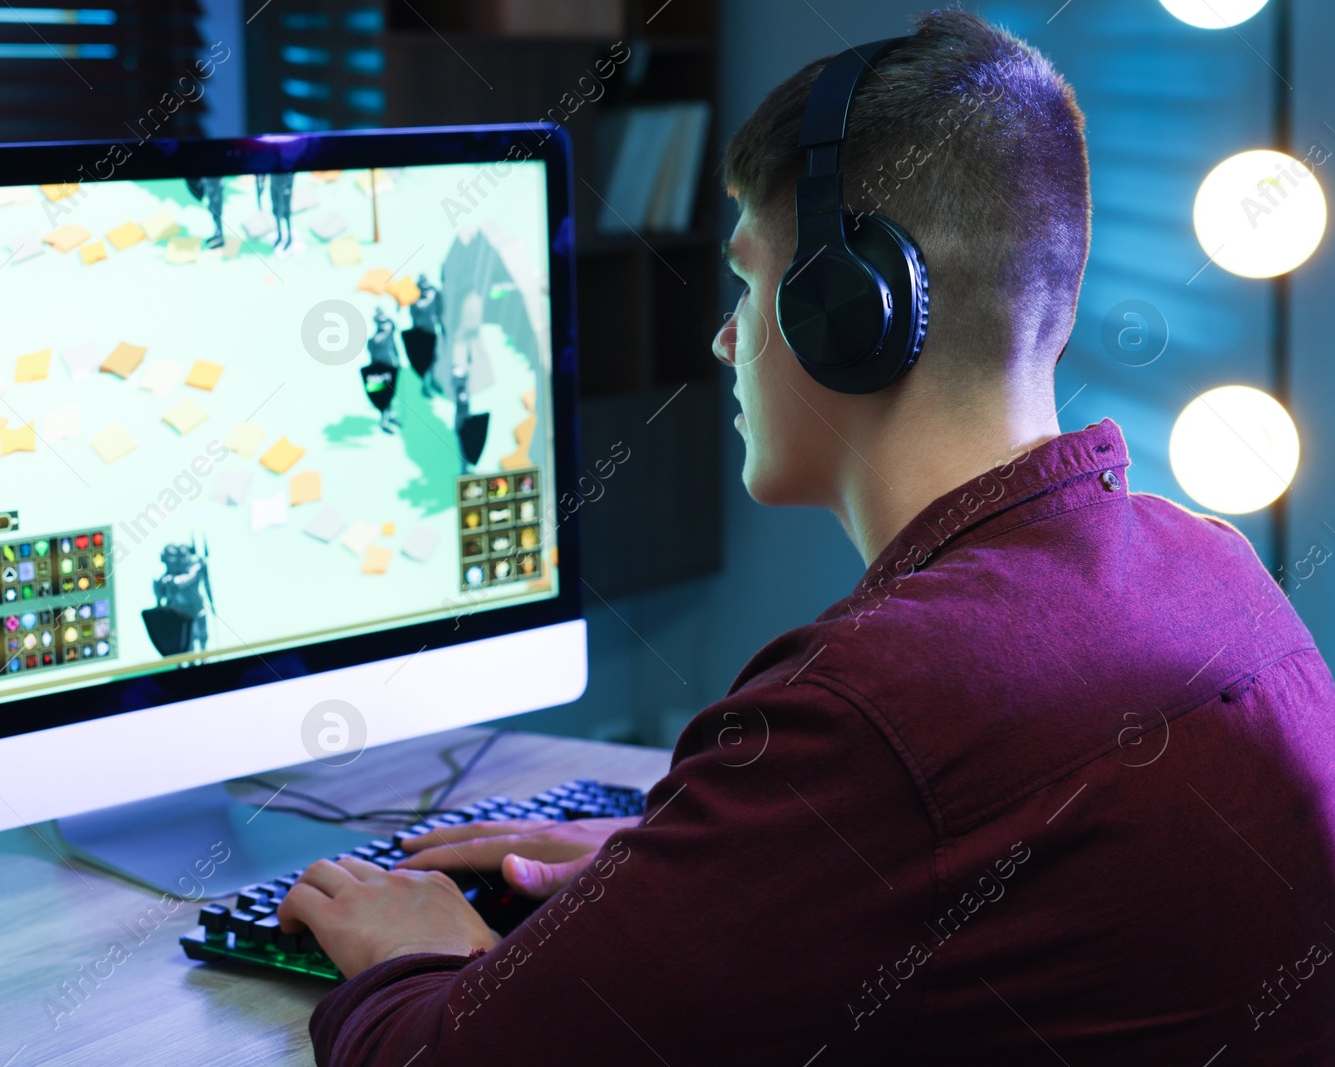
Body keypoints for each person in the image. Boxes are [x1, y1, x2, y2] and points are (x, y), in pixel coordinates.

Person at [276, 11, 1335, 1065]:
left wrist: (415, 954)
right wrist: (711, 873)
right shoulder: (1214, 570)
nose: (724, 336)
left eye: (747, 280)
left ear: (848, 307)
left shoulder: (874, 706)